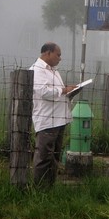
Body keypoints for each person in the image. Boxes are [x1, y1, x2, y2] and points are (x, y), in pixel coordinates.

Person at [29, 43, 77, 187]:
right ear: (48, 53)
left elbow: (57, 91)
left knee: (54, 155)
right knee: (44, 155)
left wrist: (70, 92)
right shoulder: (37, 70)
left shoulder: (53, 71)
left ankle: (50, 186)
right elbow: (43, 92)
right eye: (58, 54)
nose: (60, 58)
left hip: (59, 119)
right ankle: (39, 188)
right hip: (47, 120)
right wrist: (63, 90)